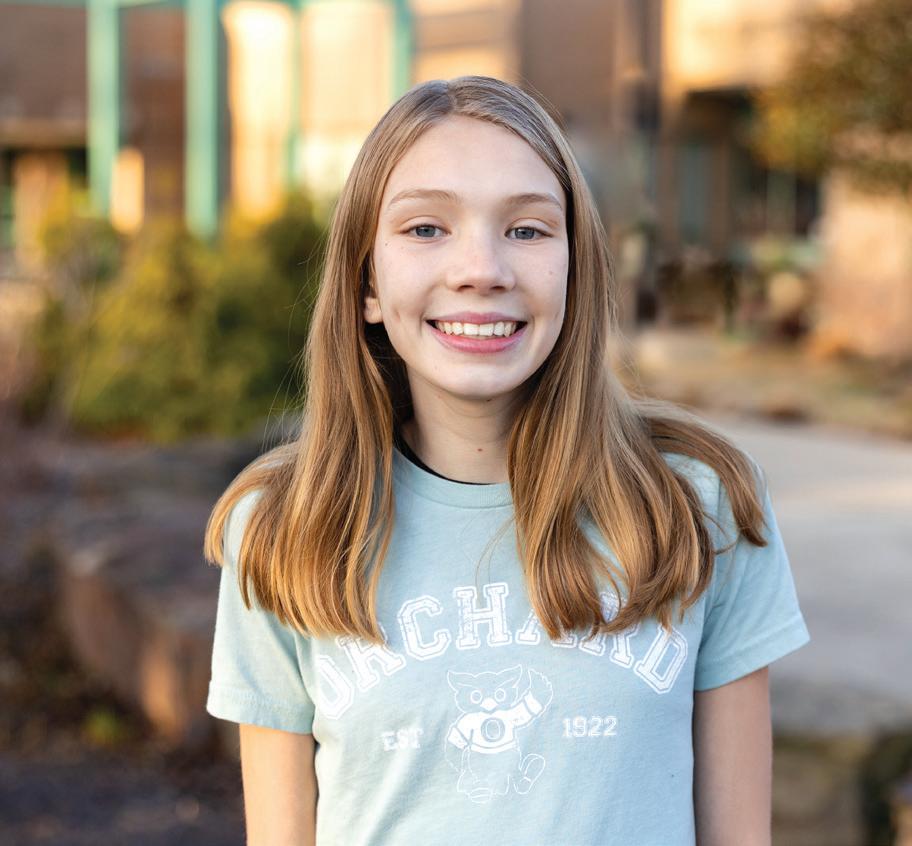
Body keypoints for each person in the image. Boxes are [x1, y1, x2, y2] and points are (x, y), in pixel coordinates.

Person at [203, 75, 810, 846]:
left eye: (526, 230)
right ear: (366, 283)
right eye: (426, 228)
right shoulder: (285, 529)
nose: (481, 268)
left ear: (576, 269)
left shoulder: (700, 504)